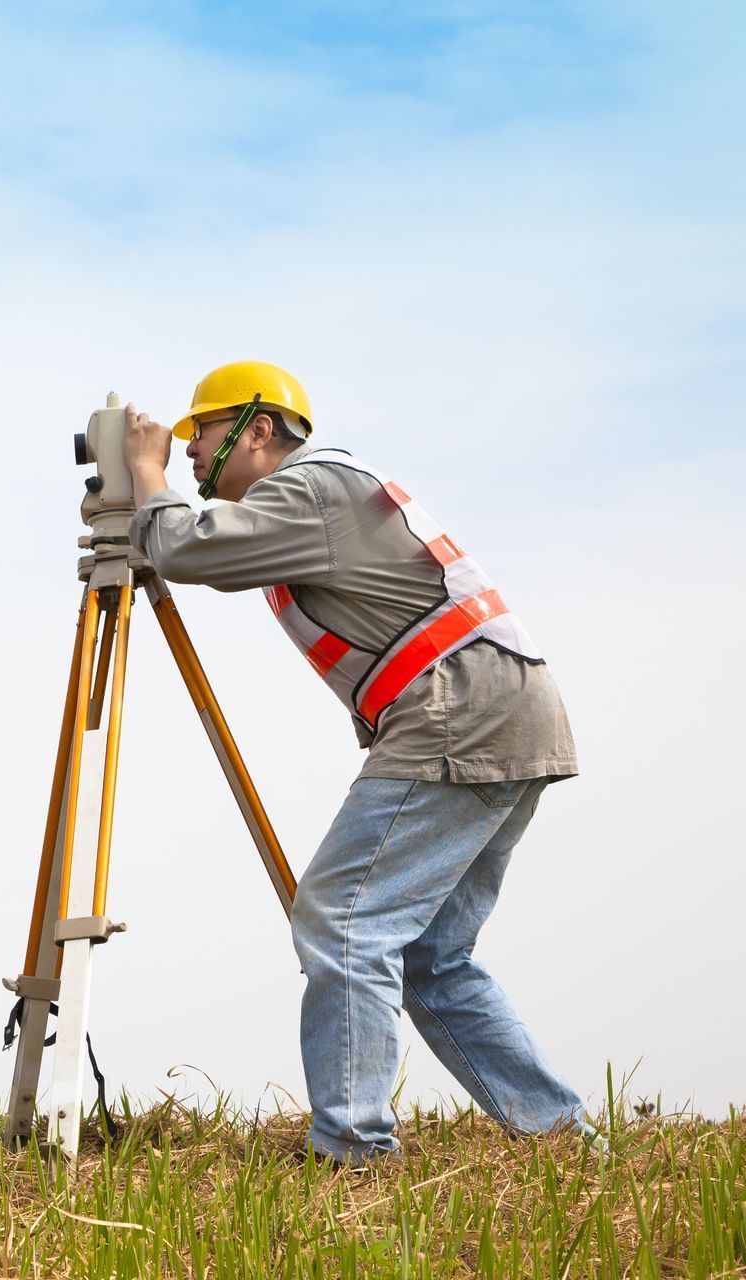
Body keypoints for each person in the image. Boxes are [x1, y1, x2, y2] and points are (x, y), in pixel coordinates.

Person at [118, 360, 587, 1165]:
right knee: (430, 958)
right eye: (182, 438)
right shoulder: (321, 494)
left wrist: (143, 474)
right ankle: (560, 1137)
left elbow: (189, 550)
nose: (190, 451)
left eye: (201, 432)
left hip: (458, 711)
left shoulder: (305, 487)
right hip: (503, 709)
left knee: (343, 921)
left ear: (258, 430)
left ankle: (355, 1151)